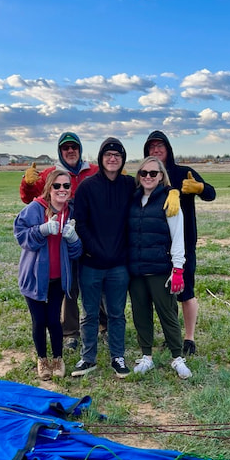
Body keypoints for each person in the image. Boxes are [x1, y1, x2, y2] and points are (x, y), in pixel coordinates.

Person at [19, 132, 98, 350]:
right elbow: (30, 198)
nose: (70, 151)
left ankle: (102, 325)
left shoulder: (93, 171)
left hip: (91, 235)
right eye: (66, 148)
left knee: (95, 285)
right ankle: (70, 332)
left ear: (80, 149)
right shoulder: (49, 174)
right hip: (63, 236)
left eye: (74, 147)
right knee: (69, 287)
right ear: (60, 152)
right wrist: (27, 183)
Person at [143, 130, 216, 356]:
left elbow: (211, 194)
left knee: (186, 291)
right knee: (166, 294)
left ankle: (189, 338)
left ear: (168, 149)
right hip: (157, 245)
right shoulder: (148, 174)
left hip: (183, 244)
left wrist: (200, 188)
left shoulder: (184, 172)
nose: (156, 150)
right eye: (152, 147)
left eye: (160, 146)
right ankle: (171, 335)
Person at [71, 137, 135, 378]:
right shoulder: (87, 187)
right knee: (89, 314)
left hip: (119, 265)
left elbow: (155, 184)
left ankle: (117, 357)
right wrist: (94, 248)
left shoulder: (129, 185)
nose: (112, 158)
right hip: (91, 263)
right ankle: (88, 359)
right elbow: (81, 223)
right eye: (108, 154)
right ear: (101, 158)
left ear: (122, 160)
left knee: (116, 313)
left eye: (117, 155)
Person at [13, 169, 82, 381]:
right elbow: (20, 234)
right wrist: (41, 230)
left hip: (58, 278)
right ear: (49, 188)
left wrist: (72, 239)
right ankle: (42, 359)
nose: (62, 190)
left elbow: (77, 252)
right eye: (57, 186)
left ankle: (58, 358)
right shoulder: (35, 209)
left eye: (66, 186)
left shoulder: (71, 213)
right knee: (39, 320)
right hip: (34, 277)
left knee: (53, 319)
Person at [128, 157, 192, 379]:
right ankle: (146, 356)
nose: (148, 177)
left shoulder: (169, 200)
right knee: (141, 314)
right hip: (136, 269)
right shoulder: (133, 199)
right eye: (144, 173)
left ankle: (177, 357)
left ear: (161, 176)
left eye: (153, 173)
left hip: (159, 268)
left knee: (168, 314)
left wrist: (178, 269)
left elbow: (178, 237)